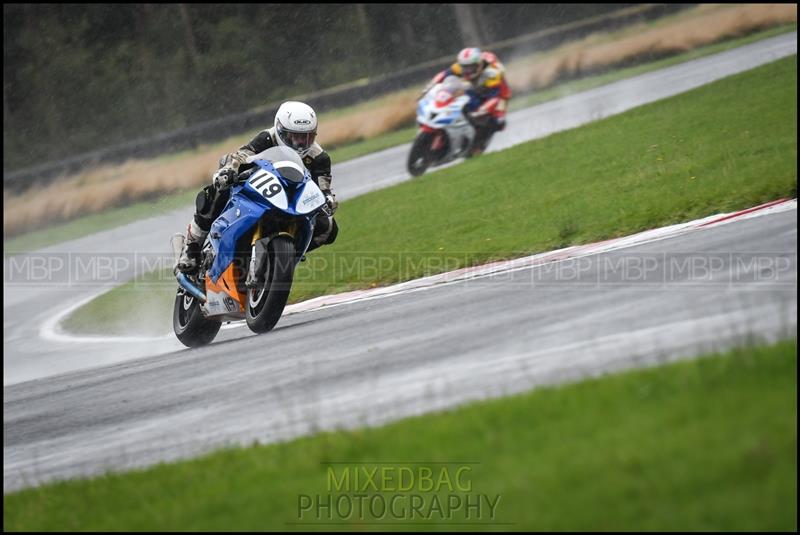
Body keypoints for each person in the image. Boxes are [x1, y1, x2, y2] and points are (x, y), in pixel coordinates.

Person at [176, 101, 338, 273]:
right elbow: (242, 155)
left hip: (292, 201)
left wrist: (328, 200)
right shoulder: (267, 138)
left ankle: (288, 255)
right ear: (281, 130)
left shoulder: (319, 157)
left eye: (307, 137)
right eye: (294, 136)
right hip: (260, 188)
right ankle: (192, 246)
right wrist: (229, 170)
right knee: (216, 191)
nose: (301, 142)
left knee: (328, 227)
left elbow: (324, 189)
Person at [422, 47, 512, 156]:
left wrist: (480, 111)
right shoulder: (460, 67)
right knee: (464, 101)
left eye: (471, 68)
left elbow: (494, 98)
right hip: (476, 87)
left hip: (498, 93)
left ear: (479, 65)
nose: (467, 71)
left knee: (497, 121)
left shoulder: (492, 73)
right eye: (465, 67)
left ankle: (479, 144)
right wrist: (429, 87)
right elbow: (444, 75)